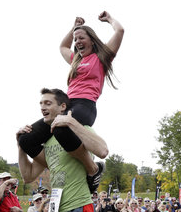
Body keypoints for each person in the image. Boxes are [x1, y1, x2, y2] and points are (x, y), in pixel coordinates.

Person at [18, 13, 124, 194]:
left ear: (92, 40)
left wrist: (109, 20)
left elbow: (120, 30)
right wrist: (73, 26)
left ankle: (93, 170)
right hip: (66, 105)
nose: (77, 41)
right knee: (25, 139)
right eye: (76, 39)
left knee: (60, 128)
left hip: (85, 105)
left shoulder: (101, 57)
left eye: (81, 37)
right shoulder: (76, 59)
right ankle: (56, 166)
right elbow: (62, 46)